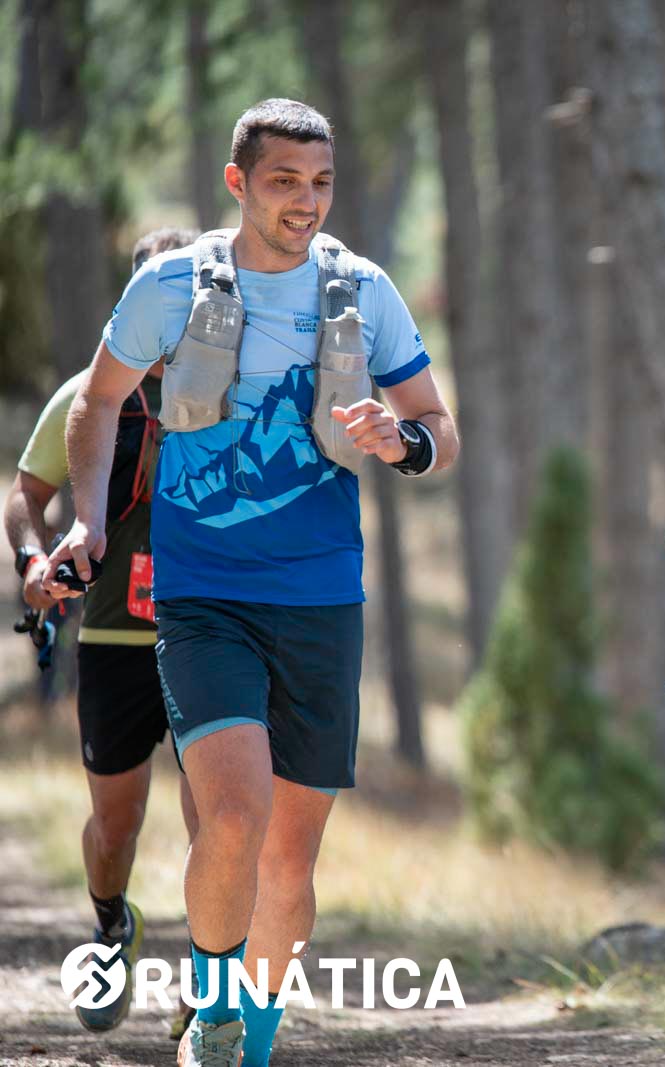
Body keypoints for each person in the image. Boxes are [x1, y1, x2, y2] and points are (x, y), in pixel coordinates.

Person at [46, 99, 459, 1067]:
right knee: (233, 815)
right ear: (238, 182)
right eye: (284, 182)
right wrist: (89, 521)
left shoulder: (364, 290)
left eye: (320, 183)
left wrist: (403, 441)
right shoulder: (170, 285)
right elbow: (97, 402)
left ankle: (252, 1038)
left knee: (289, 861)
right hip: (205, 596)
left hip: (322, 598)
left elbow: (439, 426)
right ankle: (218, 1011)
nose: (305, 202)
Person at [6, 226, 201, 1035]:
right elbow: (25, 494)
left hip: (209, 633)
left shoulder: (230, 387)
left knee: (219, 817)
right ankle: (113, 924)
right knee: (115, 825)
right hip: (115, 636)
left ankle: (213, 975)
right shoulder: (89, 393)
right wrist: (31, 559)